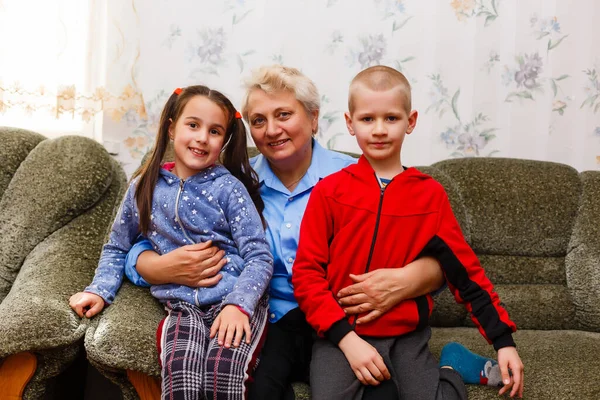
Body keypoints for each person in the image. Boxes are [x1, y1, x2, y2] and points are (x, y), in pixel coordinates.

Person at [123, 66, 499, 399]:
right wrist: (151, 265)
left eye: (284, 114)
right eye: (258, 120)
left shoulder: (352, 179)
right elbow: (151, 234)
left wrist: (414, 276)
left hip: (340, 320)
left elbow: (434, 251)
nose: (271, 130)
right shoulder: (235, 183)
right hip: (268, 323)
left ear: (315, 119)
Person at [291, 65, 525, 400]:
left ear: (410, 121)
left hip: (406, 337)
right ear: (349, 123)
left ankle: (452, 368)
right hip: (340, 338)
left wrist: (504, 342)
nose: (379, 130)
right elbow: (306, 275)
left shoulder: (429, 196)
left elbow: (467, 275)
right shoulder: (329, 192)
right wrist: (346, 339)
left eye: (391, 118)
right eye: (368, 119)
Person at [69, 85, 274, 400]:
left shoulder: (229, 189)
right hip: (182, 307)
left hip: (233, 300)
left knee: (223, 372)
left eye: (215, 131)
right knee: (181, 376)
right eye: (193, 125)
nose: (202, 137)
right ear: (171, 128)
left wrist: (239, 305)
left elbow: (259, 257)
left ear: (225, 140)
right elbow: (117, 247)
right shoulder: (144, 187)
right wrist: (99, 290)